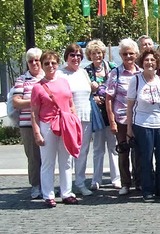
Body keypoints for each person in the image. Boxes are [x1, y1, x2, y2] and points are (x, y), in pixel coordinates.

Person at [31, 51, 82, 207]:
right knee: (48, 161)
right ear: (42, 65)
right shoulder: (38, 87)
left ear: (58, 64)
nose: (50, 66)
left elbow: (71, 103)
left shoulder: (64, 82)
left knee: (66, 160)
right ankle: (48, 194)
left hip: (65, 123)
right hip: (48, 125)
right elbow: (34, 112)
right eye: (47, 63)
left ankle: (66, 192)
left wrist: (75, 120)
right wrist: (37, 132)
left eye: (53, 63)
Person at [127, 49, 160, 201]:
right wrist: (129, 127)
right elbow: (129, 105)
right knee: (146, 159)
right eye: (147, 60)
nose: (150, 63)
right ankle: (147, 190)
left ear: (157, 63)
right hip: (143, 124)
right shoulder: (136, 80)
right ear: (142, 62)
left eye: (153, 60)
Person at [106, 38, 142, 195]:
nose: (128, 57)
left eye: (131, 53)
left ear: (136, 54)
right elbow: (109, 98)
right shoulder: (116, 73)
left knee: (140, 152)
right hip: (121, 119)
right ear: (120, 55)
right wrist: (112, 120)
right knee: (123, 151)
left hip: (139, 119)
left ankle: (140, 182)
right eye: (125, 54)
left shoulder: (142, 72)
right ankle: (126, 183)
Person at [84, 39, 121, 191]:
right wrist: (93, 95)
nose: (96, 56)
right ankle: (96, 179)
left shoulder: (112, 68)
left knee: (114, 147)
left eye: (99, 53)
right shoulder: (86, 71)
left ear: (103, 53)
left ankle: (116, 179)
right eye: (93, 53)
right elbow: (84, 92)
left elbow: (118, 87)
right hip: (97, 114)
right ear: (89, 55)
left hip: (110, 112)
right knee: (98, 148)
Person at [59, 43, 95, 197]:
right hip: (68, 118)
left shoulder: (83, 72)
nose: (76, 58)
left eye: (79, 55)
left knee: (82, 152)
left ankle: (80, 182)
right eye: (72, 55)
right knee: (66, 153)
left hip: (85, 116)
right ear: (66, 57)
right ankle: (65, 186)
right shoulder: (60, 73)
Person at [12, 48, 44, 199]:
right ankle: (36, 186)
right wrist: (35, 102)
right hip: (27, 124)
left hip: (46, 122)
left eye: (37, 60)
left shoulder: (48, 77)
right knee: (33, 156)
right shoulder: (22, 80)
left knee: (47, 157)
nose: (34, 63)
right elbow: (16, 102)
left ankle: (47, 185)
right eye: (31, 61)